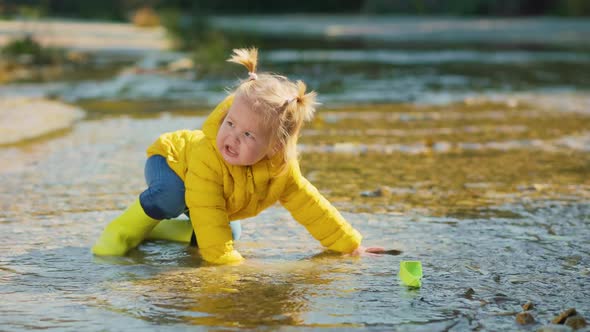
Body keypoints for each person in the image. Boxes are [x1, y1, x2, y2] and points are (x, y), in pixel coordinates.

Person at [92, 48, 383, 264]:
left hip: (204, 189)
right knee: (173, 195)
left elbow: (312, 206)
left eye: (248, 135)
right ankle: (121, 232)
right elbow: (205, 208)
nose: (231, 137)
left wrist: (349, 245)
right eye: (230, 123)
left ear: (275, 148)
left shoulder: (282, 170)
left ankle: (159, 230)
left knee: (230, 231)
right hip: (171, 163)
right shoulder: (209, 154)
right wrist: (227, 265)